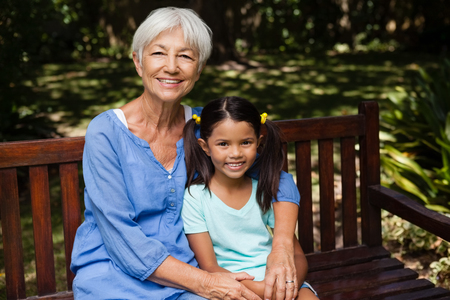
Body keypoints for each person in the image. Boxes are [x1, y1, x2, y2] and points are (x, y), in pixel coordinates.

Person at [71, 7, 302, 300]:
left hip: (186, 270)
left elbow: (276, 179)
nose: (171, 67)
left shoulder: (203, 129)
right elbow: (121, 238)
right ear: (138, 62)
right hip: (114, 272)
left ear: (199, 68)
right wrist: (205, 283)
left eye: (186, 56)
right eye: (158, 53)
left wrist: (282, 246)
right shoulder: (106, 132)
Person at [181, 97, 318, 300]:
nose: (235, 153)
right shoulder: (195, 198)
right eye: (223, 144)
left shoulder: (266, 190)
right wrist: (262, 290)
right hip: (231, 287)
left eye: (245, 142)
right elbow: (209, 266)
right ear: (205, 147)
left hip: (280, 282)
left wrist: (287, 286)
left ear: (258, 143)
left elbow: (297, 256)